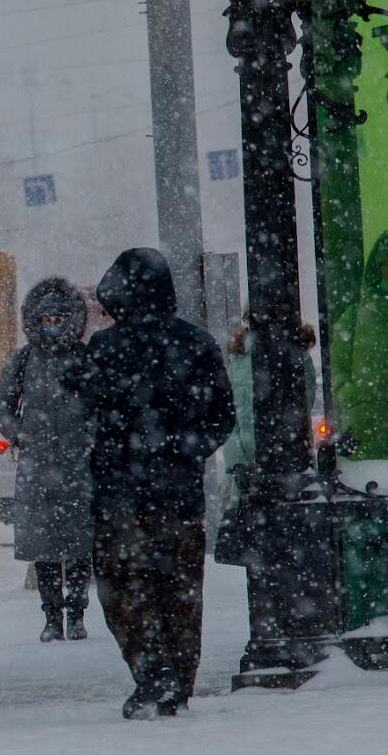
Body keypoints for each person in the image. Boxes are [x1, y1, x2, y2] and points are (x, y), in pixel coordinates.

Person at [85, 248, 235, 719]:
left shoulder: (105, 349)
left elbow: (88, 414)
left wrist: (118, 453)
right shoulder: (197, 344)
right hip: (179, 495)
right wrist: (183, 449)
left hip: (119, 495)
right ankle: (177, 682)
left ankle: (151, 673)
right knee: (181, 591)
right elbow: (222, 417)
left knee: (125, 588)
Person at [0, 277, 95, 643]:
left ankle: (77, 614)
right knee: (45, 547)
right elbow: (1, 402)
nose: (52, 326)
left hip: (79, 466)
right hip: (37, 468)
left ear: (70, 321)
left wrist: (90, 439)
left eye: (58, 319)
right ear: (35, 322)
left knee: (80, 545)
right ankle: (51, 617)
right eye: (45, 320)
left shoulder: (84, 359)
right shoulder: (23, 360)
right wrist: (18, 433)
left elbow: (101, 403)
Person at [216, 318, 318, 564]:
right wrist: (238, 463)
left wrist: (239, 462)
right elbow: (229, 419)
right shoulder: (241, 360)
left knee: (275, 552)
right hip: (262, 470)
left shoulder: (243, 360)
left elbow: (304, 406)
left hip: (271, 468)